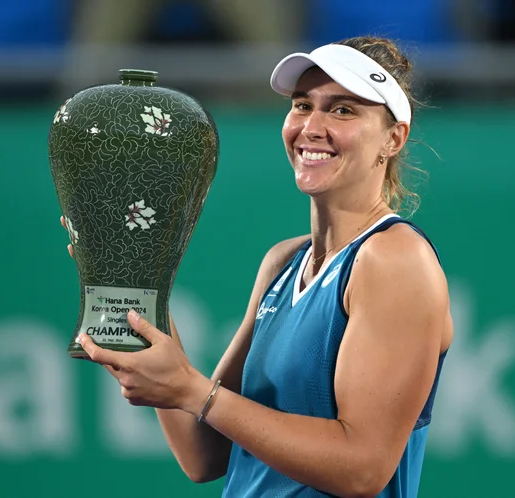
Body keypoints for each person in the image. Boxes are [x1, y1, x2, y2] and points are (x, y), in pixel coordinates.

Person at [66, 35, 453, 498]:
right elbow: (204, 453)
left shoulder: (395, 260)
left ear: (394, 138)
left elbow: (363, 469)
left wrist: (193, 390)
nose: (312, 126)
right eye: (302, 105)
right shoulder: (283, 262)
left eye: (343, 110)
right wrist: (137, 278)